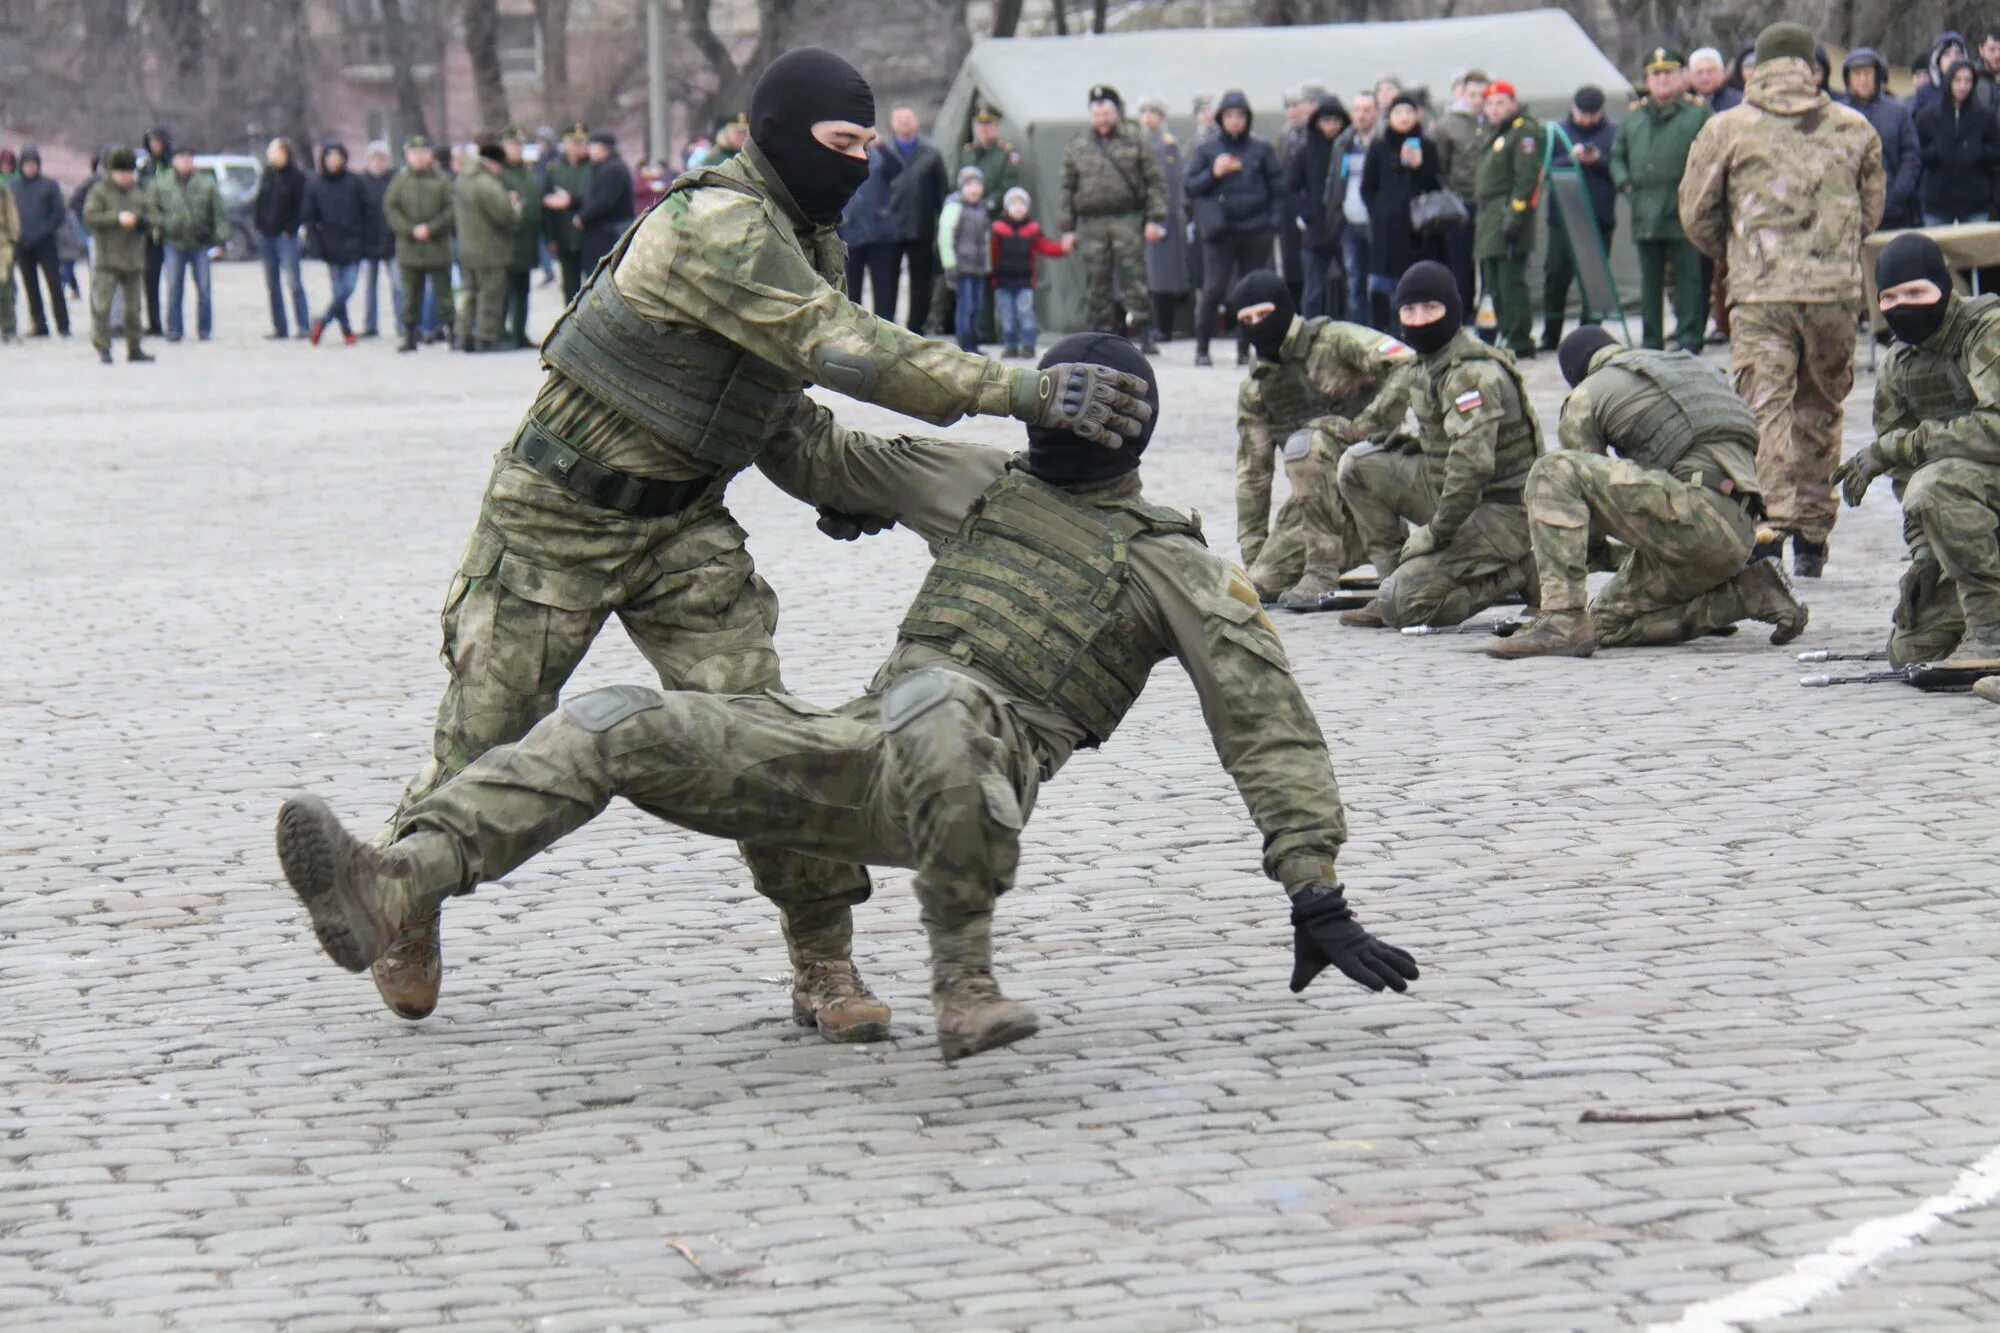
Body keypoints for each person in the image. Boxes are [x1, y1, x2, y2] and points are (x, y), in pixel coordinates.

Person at [274, 331, 1417, 1064]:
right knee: (616, 721)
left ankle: (961, 980)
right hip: (839, 756)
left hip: (971, 778)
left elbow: (1262, 722)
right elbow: (816, 453)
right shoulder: (981, 484)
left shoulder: (1174, 565)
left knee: (939, 702)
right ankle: (395, 883)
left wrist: (1311, 885)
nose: (1060, 426)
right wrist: (730, 338)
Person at [353, 48, 1152, 1038]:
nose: (858, 164)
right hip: (554, 517)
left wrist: (851, 485)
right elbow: (844, 349)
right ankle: (399, 895)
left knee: (761, 734)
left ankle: (822, 960)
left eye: (869, 145)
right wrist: (1018, 388)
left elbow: (782, 418)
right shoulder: (714, 224)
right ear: (774, 133)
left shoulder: (807, 242)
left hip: (681, 525)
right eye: (839, 143)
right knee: (484, 731)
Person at [1681, 21, 1885, 579]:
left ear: (1756, 67)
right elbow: (1871, 212)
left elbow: (1697, 213)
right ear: (1812, 67)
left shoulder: (1727, 129)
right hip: (1833, 294)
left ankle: (1769, 525)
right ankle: (1814, 536)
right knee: (1821, 406)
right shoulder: (1854, 127)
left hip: (1760, 291)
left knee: (1760, 408)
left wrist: (1738, 249)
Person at [1488, 326, 1807, 659]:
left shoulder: (1587, 394)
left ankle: (1561, 620)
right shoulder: (1693, 371)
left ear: (1576, 375)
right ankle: (1748, 594)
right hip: (1737, 535)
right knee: (1602, 627)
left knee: (1551, 470)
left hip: (1695, 519)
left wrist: (1587, 553)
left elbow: (1579, 500)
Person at [1335, 261, 1539, 629]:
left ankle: (1516, 573)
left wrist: (1435, 533)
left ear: (1453, 311)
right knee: (1358, 465)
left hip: (1501, 509)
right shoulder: (1424, 364)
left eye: (1431, 308)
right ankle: (1392, 579)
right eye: (1409, 310)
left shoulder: (1470, 374)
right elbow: (1374, 420)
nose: (1419, 320)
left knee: (1405, 608)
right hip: (1453, 494)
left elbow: (1472, 466)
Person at [1833, 234, 2000, 667]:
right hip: (1971, 514)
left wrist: (1900, 446)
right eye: (1889, 297)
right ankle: (1974, 618)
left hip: (1979, 492)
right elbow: (1905, 483)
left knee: (1936, 482)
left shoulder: (1986, 329)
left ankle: (1993, 635)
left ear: (1944, 287)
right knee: (1912, 649)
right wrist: (1926, 555)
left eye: (1917, 293)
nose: (1903, 306)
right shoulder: (1898, 366)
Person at [1228, 269, 1418, 609]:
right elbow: (1252, 474)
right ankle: (1359, 542)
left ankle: (1324, 568)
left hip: (1378, 472)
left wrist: (1367, 423)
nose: (1257, 325)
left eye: (1264, 315)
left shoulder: (1335, 340)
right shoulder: (1257, 387)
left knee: (1307, 442)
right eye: (1247, 319)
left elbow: (1407, 362)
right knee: (1263, 581)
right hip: (1319, 502)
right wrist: (1254, 554)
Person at [1611, 51, 1709, 353]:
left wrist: (1698, 192)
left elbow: (1710, 155)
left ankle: (1690, 337)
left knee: (1689, 277)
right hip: (1646, 208)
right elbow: (1617, 155)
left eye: (1668, 72)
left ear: (1682, 77)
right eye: (1656, 74)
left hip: (1683, 206)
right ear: (1647, 80)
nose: (1662, 79)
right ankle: (1652, 339)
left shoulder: (1697, 113)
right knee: (1649, 282)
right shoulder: (1634, 117)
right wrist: (1625, 183)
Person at [1062, 85, 1167, 350]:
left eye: (1107, 113)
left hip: (1127, 219)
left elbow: (1154, 181)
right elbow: (1067, 187)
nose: (1103, 119)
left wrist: (1155, 219)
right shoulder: (1077, 144)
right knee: (1097, 281)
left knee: (1134, 276)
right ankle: (1101, 335)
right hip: (1092, 222)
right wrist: (1067, 228)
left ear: (1117, 112)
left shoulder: (1135, 139)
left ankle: (1144, 331)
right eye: (1097, 114)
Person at [1185, 88, 1281, 366]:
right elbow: (1190, 186)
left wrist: (1272, 222)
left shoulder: (1261, 149)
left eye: (1240, 115)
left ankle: (1245, 348)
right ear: (1220, 118)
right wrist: (1213, 173)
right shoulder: (1207, 149)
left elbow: (1278, 186)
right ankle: (1202, 348)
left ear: (1248, 118)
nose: (1235, 121)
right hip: (1220, 232)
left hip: (1255, 229)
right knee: (1213, 288)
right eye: (1229, 115)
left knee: (1251, 291)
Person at [1540, 86, 1617, 351]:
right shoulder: (1556, 132)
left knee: (1594, 280)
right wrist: (1569, 159)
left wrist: (1598, 160)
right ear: (1572, 108)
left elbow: (1619, 170)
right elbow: (1543, 168)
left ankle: (1590, 336)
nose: (1585, 120)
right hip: (1562, 217)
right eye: (1581, 113)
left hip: (1599, 217)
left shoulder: (1613, 133)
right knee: (1555, 276)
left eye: (1592, 114)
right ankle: (1550, 336)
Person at [1360, 93, 1444, 334]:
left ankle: (1414, 329)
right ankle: (1384, 331)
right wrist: (1378, 211)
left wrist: (1419, 167)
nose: (1404, 117)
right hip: (1386, 229)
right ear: (1389, 117)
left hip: (1418, 231)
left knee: (1414, 283)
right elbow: (1367, 186)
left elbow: (1436, 185)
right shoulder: (1379, 146)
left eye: (1409, 112)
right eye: (1398, 112)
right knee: (1381, 285)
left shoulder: (1427, 145)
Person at [1472, 81, 1542, 359]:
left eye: (1500, 102)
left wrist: (1515, 214)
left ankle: (1519, 338)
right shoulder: (1494, 133)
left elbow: (1525, 178)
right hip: (1489, 215)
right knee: (1493, 280)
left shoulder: (1522, 132)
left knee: (1510, 280)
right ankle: (1504, 331)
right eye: (1489, 103)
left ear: (1513, 103)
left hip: (1506, 212)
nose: (1494, 109)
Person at [147, 142, 227, 343]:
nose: (186, 162)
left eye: (189, 158)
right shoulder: (161, 183)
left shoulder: (206, 183)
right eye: (182, 158)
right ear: (174, 161)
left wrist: (220, 240)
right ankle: (174, 329)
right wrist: (163, 224)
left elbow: (219, 213)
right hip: (173, 241)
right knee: (174, 287)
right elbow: (151, 209)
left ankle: (205, 329)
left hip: (200, 242)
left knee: (204, 289)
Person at [384, 135, 455, 353]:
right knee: (410, 296)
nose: (419, 157)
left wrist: (430, 228)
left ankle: (452, 332)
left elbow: (451, 210)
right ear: (407, 156)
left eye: (423, 153)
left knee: (444, 294)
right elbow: (391, 208)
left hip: (437, 247)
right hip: (409, 248)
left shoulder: (442, 180)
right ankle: (409, 335)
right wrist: (410, 229)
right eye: (414, 154)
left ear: (430, 155)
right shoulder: (400, 181)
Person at [82, 148, 153, 365]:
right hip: (107, 259)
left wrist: (141, 221)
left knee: (134, 309)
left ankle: (135, 347)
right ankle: (103, 347)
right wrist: (117, 219)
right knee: (102, 307)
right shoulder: (99, 192)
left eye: (129, 172)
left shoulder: (138, 192)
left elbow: (154, 217)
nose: (126, 176)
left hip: (132, 259)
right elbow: (90, 217)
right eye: (121, 172)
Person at [1841, 50, 1922, 230]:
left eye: (1868, 73)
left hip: (1894, 209)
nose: (1863, 79)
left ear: (1877, 76)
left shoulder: (1897, 112)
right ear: (1848, 79)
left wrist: (1900, 190)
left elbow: (1911, 155)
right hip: (1851, 211)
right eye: (1857, 74)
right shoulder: (1838, 114)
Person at [886, 106, 949, 333]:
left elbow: (943, 193)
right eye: (899, 119)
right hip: (889, 229)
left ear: (917, 122)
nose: (904, 122)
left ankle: (916, 327)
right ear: (892, 123)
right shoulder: (883, 152)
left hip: (921, 227)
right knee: (887, 281)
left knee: (921, 282)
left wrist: (943, 227)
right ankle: (887, 325)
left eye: (908, 118)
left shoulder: (931, 155)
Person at [453, 138, 519, 353]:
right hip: (490, 250)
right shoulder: (487, 184)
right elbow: (505, 215)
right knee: (490, 295)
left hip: (468, 248)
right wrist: (515, 206)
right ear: (493, 163)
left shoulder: (463, 178)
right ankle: (485, 337)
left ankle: (462, 335)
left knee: (469, 294)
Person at [300, 142, 369, 346]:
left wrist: (366, 238)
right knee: (338, 290)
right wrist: (314, 243)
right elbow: (309, 217)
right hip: (329, 243)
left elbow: (367, 212)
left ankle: (323, 320)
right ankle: (347, 331)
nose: (334, 161)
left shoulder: (354, 182)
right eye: (330, 156)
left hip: (354, 242)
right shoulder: (315, 184)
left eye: (337, 156)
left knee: (347, 288)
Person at [1915, 59, 1999, 227]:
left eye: (1967, 81)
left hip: (1974, 200)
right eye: (1957, 80)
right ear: (1949, 81)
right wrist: (1937, 150)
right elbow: (1917, 151)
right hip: (1937, 200)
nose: (1962, 86)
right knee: (1936, 249)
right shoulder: (1928, 116)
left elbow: (1996, 150)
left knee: (1974, 250)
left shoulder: (1985, 116)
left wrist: (1979, 151)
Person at [1287, 95, 1349, 321]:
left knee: (1350, 286)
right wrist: (1304, 213)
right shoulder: (1307, 151)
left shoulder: (1348, 148)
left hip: (1345, 225)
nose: (1331, 126)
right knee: (1313, 290)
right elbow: (1291, 187)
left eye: (1336, 121)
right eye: (1326, 120)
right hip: (1316, 228)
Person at [1432, 70, 1489, 312]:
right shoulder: (1447, 125)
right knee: (1461, 262)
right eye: (1472, 94)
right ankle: (1463, 311)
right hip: (1461, 201)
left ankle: (1489, 312)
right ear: (1463, 94)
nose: (1477, 100)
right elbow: (1440, 165)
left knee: (1489, 262)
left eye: (1482, 94)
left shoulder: (1495, 122)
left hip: (1490, 202)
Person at [989, 185, 1067, 358]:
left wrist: (1063, 247)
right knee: (1007, 316)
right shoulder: (997, 229)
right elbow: (991, 254)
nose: (1018, 208)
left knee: (1026, 314)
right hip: (1002, 282)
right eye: (1014, 204)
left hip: (1024, 282)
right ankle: (1010, 345)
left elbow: (1046, 247)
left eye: (1022, 204)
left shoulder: (1032, 229)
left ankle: (1028, 346)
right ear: (1006, 207)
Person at [1137, 98, 1191, 339]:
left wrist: (1160, 217)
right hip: (1135, 216)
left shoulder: (1167, 145)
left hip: (1161, 216)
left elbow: (1171, 183)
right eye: (1145, 112)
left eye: (1154, 113)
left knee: (1162, 275)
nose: (1149, 117)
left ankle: (1163, 327)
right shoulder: (1134, 142)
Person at [1325, 92, 1377, 326]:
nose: (1361, 115)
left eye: (1367, 109)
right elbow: (1334, 180)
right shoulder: (1344, 144)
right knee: (1354, 282)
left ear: (1376, 112)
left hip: (1375, 223)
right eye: (1357, 109)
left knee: (1376, 283)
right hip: (1349, 223)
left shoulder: (1382, 142)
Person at [837, 142, 904, 318]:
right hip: (849, 231)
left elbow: (897, 168)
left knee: (884, 291)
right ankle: (853, 331)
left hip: (881, 233)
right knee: (851, 290)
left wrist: (882, 146)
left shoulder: (878, 155)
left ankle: (885, 333)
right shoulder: (839, 155)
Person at [254, 138, 309, 340]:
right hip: (266, 235)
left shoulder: (296, 177)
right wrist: (258, 226)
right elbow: (260, 201)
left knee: (294, 282)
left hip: (286, 237)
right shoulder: (267, 174)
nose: (272, 156)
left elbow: (301, 207)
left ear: (286, 153)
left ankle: (304, 325)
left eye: (276, 152)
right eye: (270, 152)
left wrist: (290, 228)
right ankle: (280, 327)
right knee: (272, 284)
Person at [12, 147, 71, 338]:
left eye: (34, 164)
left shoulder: (49, 185)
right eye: (27, 164)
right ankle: (39, 324)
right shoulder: (13, 186)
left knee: (54, 284)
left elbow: (58, 214)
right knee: (30, 286)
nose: (30, 167)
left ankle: (63, 324)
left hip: (46, 243)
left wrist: (41, 232)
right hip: (22, 243)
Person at [938, 165, 991, 354]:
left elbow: (986, 238)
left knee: (976, 306)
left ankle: (973, 343)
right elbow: (945, 236)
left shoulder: (981, 210)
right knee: (965, 306)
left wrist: (987, 263)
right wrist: (950, 264)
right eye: (969, 184)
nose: (974, 189)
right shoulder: (954, 207)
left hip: (977, 266)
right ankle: (965, 344)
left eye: (978, 184)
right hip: (962, 267)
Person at [500, 127, 544, 350]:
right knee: (505, 291)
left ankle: (519, 332)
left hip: (527, 241)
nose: (516, 150)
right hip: (507, 242)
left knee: (522, 290)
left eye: (519, 146)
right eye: (512, 146)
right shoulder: (500, 173)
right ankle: (502, 332)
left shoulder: (527, 172)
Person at [540, 123, 593, 304]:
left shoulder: (593, 167)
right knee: (570, 291)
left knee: (594, 288)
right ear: (566, 144)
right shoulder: (554, 169)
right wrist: (550, 238)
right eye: (575, 142)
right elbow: (546, 206)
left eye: (583, 142)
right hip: (564, 236)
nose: (581, 147)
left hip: (589, 236)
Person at [575, 130, 634, 276]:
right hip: (603, 234)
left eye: (592, 146)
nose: (589, 150)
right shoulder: (604, 168)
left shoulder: (613, 169)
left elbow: (604, 201)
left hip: (608, 235)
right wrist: (572, 201)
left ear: (602, 148)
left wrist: (582, 217)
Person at [357, 142, 396, 338]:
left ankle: (403, 324)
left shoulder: (395, 179)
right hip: (368, 240)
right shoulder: (360, 182)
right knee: (370, 286)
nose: (378, 162)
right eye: (374, 158)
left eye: (381, 158)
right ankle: (370, 324)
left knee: (398, 285)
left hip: (392, 240)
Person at [136, 127, 172, 337]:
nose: (154, 146)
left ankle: (174, 322)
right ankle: (154, 322)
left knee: (175, 280)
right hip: (151, 232)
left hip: (172, 230)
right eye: (151, 142)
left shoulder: (172, 167)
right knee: (150, 279)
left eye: (157, 142)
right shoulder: (145, 169)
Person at [0, 158, 16, 344]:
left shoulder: (3, 188)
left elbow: (11, 215)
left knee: (4, 286)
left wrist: (13, 238)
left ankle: (8, 326)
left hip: (2, 244)